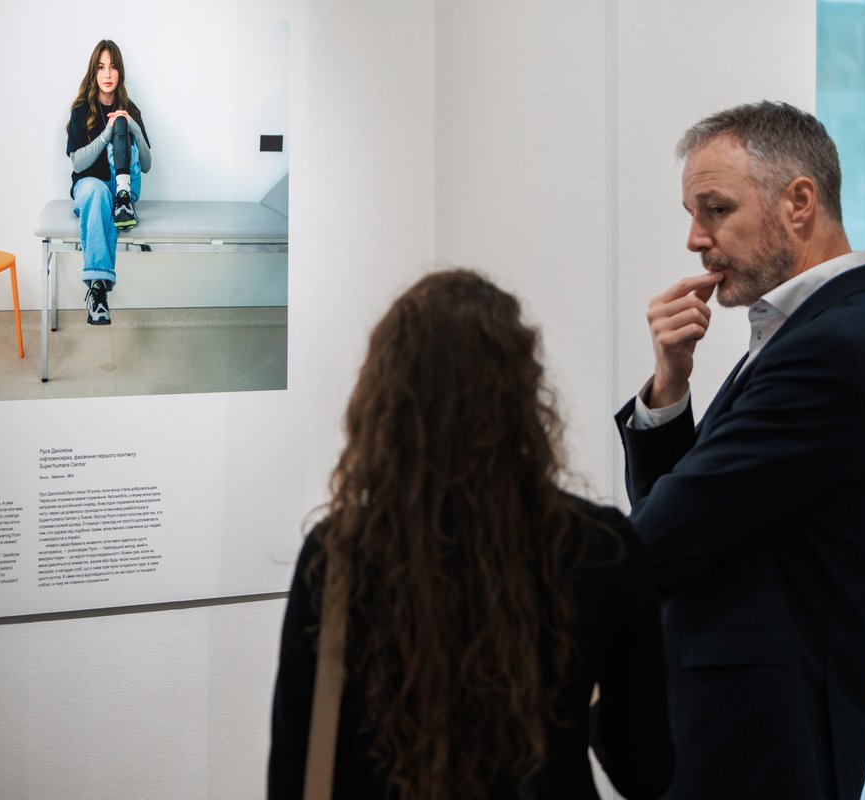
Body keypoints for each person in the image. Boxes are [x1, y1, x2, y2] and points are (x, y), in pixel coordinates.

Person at [270, 270, 674, 799]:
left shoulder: (338, 554)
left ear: (385, 401)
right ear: (526, 397)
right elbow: (646, 772)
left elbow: (293, 773)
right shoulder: (599, 547)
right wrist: (584, 683)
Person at [615, 101, 865, 799]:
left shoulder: (836, 344)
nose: (695, 239)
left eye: (715, 209)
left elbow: (666, 537)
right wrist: (670, 384)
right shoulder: (811, 330)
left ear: (800, 202)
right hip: (747, 738)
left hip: (763, 750)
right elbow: (692, 519)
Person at [66, 39, 152, 325]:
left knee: (123, 125)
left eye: (113, 67)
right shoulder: (81, 110)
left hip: (124, 188)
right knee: (96, 190)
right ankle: (98, 291)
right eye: (101, 67)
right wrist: (107, 133)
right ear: (94, 72)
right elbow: (77, 163)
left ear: (120, 73)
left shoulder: (130, 109)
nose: (107, 74)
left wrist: (131, 127)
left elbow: (148, 165)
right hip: (94, 190)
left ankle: (124, 198)